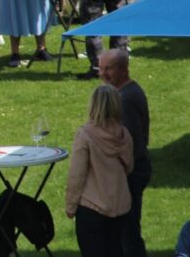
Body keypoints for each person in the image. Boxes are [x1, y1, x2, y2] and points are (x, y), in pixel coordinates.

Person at [65, 84, 134, 257]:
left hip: (92, 208)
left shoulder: (85, 135)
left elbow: (77, 175)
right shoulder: (124, 134)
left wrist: (71, 206)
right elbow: (129, 167)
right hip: (120, 206)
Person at [99, 49, 151, 257]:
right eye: (101, 68)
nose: (103, 74)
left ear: (123, 69)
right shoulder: (124, 93)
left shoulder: (125, 99)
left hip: (130, 172)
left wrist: (115, 171)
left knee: (128, 232)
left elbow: (130, 145)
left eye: (108, 69)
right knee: (123, 232)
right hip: (133, 169)